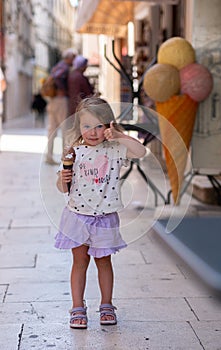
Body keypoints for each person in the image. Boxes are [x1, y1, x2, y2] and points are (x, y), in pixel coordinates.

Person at [55, 96, 146, 329]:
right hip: (77, 215)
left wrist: (121, 136)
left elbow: (141, 152)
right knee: (79, 261)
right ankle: (77, 307)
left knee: (103, 261)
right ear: (79, 127)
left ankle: (106, 304)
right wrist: (62, 179)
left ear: (108, 126)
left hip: (104, 217)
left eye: (99, 126)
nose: (93, 132)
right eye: (87, 126)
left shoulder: (115, 149)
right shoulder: (74, 151)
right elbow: (63, 187)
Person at [46, 48, 76, 165]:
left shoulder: (57, 66)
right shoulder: (64, 67)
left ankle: (49, 155)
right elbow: (58, 78)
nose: (74, 60)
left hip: (53, 100)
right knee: (64, 129)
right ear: (68, 58)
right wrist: (63, 90)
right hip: (60, 100)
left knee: (52, 130)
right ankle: (65, 158)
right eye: (73, 57)